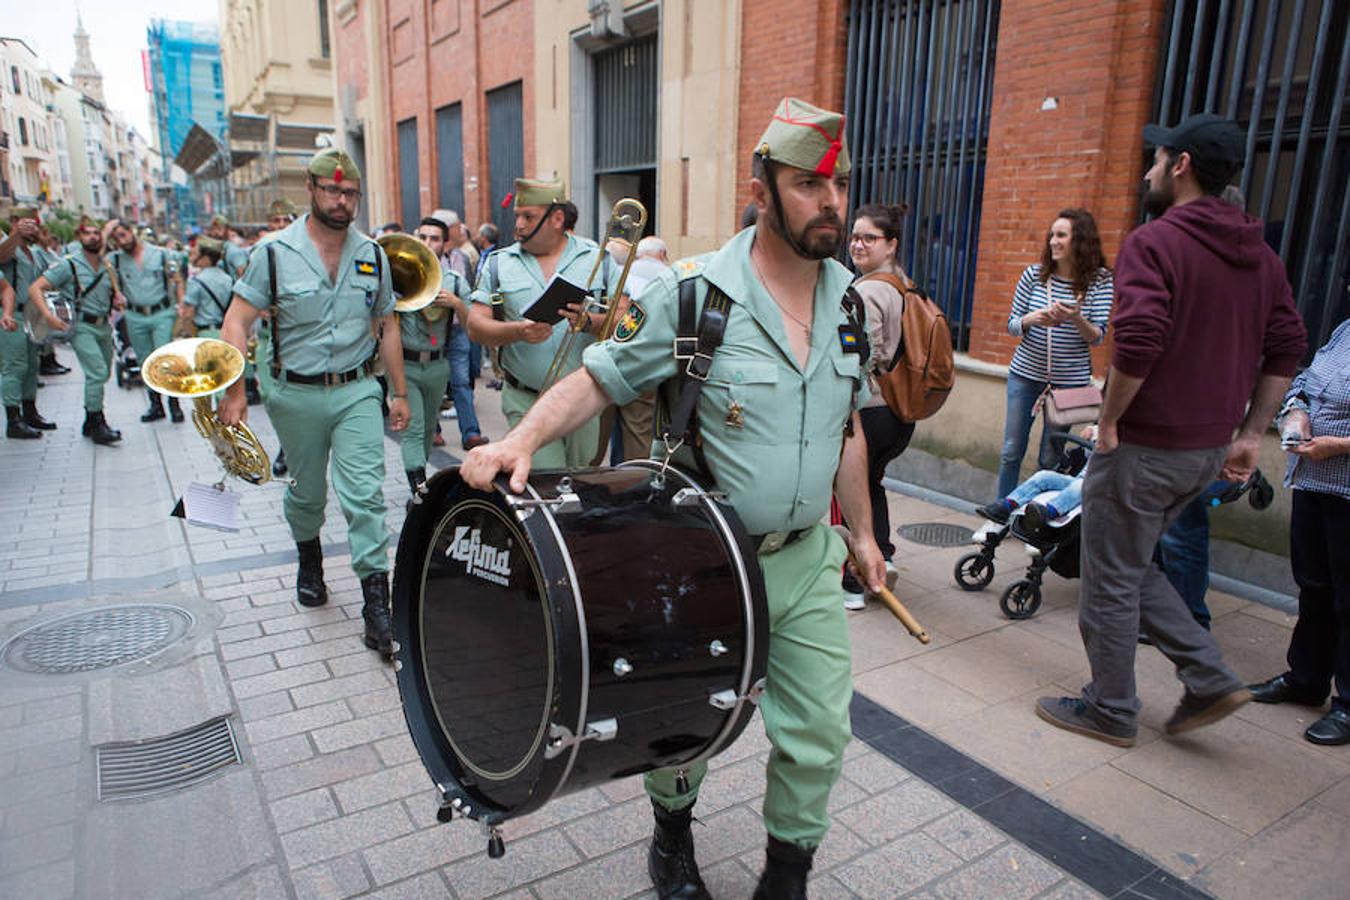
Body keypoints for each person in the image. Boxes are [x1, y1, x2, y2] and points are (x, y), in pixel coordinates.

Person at [461, 97, 883, 900]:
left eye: (839, 185)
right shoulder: (695, 297)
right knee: (684, 722)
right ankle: (672, 837)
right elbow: (598, 377)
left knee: (820, 735)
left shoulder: (850, 302)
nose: (831, 203)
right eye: (808, 184)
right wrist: (519, 442)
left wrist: (860, 535)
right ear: (762, 191)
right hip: (706, 561)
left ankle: (786, 876)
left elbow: (848, 429)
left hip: (805, 563)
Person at [1036, 113, 1308, 747]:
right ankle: (1209, 675)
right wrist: (1247, 436)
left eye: (1157, 159)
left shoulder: (1155, 242)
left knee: (1108, 578)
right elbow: (1286, 346)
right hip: (1206, 449)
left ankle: (1110, 708)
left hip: (1144, 448)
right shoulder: (1260, 257)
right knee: (1129, 565)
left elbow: (1139, 340)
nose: (1147, 170)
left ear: (1181, 165)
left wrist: (1108, 420)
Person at [218, 148, 411, 657]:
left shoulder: (372, 254)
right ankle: (309, 559)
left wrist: (399, 391)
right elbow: (237, 321)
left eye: (350, 193)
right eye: (332, 190)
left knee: (365, 494)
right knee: (307, 494)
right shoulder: (274, 253)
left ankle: (377, 604)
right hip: (294, 394)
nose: (342, 200)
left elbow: (387, 323)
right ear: (312, 188)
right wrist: (235, 391)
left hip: (355, 390)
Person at [466, 177, 618, 469]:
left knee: (582, 481)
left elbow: (624, 321)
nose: (519, 225)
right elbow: (475, 326)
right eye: (518, 217)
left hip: (583, 399)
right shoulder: (499, 263)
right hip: (526, 399)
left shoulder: (598, 258)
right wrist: (518, 331)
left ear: (557, 218)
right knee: (546, 483)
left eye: (529, 217)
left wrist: (589, 323)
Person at [1248, 321, 1350, 745]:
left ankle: (1347, 705)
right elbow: (1309, 377)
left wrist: (1340, 446)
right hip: (1313, 479)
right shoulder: (1346, 330)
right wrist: (1298, 409)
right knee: (1314, 586)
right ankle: (1306, 679)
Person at [996, 209, 1112, 499]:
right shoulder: (1034, 275)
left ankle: (1035, 519)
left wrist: (1075, 317)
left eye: (1061, 235)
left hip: (1069, 383)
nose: (1053, 241)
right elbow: (1012, 325)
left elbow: (1097, 336)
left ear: (1080, 241)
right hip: (1025, 376)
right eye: (1052, 235)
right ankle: (1002, 512)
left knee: (1050, 456)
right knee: (1011, 451)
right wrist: (1032, 319)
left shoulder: (1100, 281)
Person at [840, 203, 918, 609]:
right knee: (871, 484)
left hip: (870, 406)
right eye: (854, 236)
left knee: (851, 491)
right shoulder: (904, 284)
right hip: (899, 410)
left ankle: (853, 585)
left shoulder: (866, 290)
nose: (858, 244)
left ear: (891, 245)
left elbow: (862, 355)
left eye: (869, 237)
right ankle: (882, 556)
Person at [25, 219, 123, 444]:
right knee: (97, 372)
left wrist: (117, 301)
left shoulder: (107, 266)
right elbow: (35, 288)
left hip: (103, 326)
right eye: (87, 233)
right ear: (80, 238)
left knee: (103, 372)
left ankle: (89, 421)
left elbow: (111, 295)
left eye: (96, 233)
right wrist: (48, 316)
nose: (93, 237)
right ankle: (98, 423)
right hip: (81, 327)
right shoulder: (68, 264)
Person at [403, 217, 479, 502]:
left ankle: (418, 480)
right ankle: (418, 488)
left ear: (444, 244)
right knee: (414, 427)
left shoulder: (455, 281)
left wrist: (457, 303)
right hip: (406, 365)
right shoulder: (400, 273)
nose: (427, 243)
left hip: (437, 365)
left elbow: (474, 324)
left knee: (425, 431)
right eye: (423, 237)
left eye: (434, 238)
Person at [107, 219, 186, 424]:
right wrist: (107, 230)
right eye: (116, 238)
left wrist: (181, 305)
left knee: (165, 359)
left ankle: (174, 404)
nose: (122, 241)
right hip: (135, 315)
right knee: (145, 360)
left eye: (123, 235)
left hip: (161, 312)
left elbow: (177, 279)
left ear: (132, 232)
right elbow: (96, 254)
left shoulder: (160, 254)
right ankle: (155, 405)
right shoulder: (115, 259)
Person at [0, 207, 58, 437]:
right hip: (12, 313)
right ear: (14, 222)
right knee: (14, 367)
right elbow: (1, 255)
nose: (31, 226)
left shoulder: (33, 250)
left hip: (33, 315)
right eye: (26, 222)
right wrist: (15, 235)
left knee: (32, 366)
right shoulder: (9, 245)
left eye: (34, 222)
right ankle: (13, 420)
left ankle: (30, 412)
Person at [181, 238, 235, 339]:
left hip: (205, 333)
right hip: (226, 332)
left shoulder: (196, 281)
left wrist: (186, 332)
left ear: (205, 258)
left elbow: (188, 313)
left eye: (196, 254)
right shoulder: (229, 279)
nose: (192, 257)